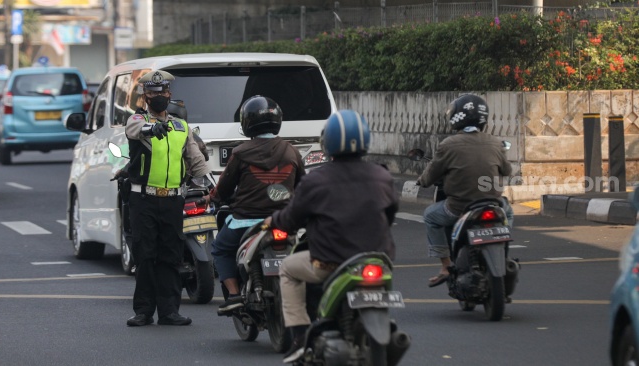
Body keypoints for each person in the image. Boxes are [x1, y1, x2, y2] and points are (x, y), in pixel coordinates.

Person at [263, 109, 399, 363]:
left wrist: (274, 220)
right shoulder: (383, 176)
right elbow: (390, 215)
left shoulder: (317, 180)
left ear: (328, 143)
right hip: (378, 262)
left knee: (289, 269)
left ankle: (300, 338)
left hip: (331, 263)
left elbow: (291, 219)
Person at [124, 70, 210, 327]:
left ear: (169, 94)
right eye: (152, 93)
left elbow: (195, 159)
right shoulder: (137, 120)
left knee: (171, 256)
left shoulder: (182, 126)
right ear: (145, 96)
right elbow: (135, 129)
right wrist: (153, 127)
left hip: (173, 200)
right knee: (145, 255)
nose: (158, 96)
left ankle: (170, 311)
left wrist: (209, 184)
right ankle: (143, 311)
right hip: (144, 200)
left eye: (162, 92)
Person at [205, 95, 306, 315]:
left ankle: (233, 295)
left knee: (220, 249)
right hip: (284, 221)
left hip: (245, 222)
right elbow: (302, 187)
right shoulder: (292, 152)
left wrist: (213, 198)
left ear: (247, 123)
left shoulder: (240, 153)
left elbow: (224, 187)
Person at [417, 94, 513, 288]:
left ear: (456, 117)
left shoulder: (448, 145)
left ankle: (445, 266)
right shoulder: (495, 142)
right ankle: (502, 248)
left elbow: (429, 176)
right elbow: (507, 170)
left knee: (430, 216)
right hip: (493, 204)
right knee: (508, 211)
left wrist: (421, 181)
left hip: (459, 208)